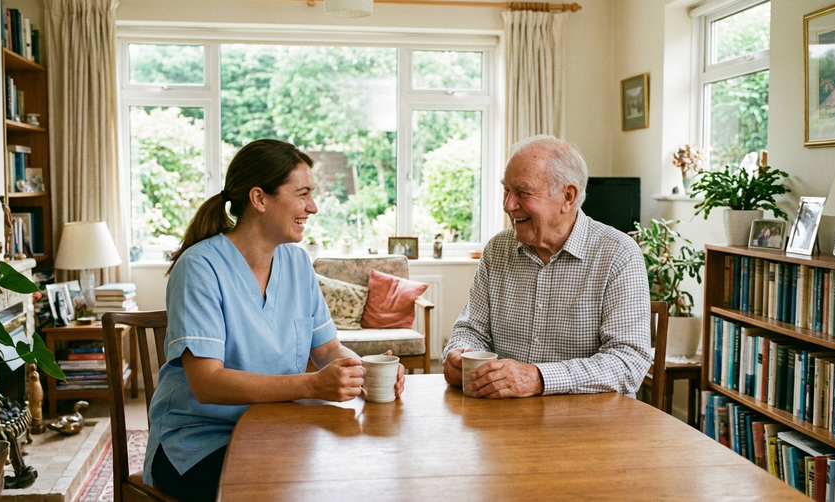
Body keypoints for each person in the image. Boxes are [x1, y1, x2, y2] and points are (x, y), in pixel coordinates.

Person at [144, 139, 405, 501]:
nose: (312, 207)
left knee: (356, 477)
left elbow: (327, 347)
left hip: (279, 428)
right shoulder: (200, 267)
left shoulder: (297, 263)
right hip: (200, 443)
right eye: (302, 194)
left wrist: (365, 371)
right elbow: (207, 383)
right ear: (259, 199)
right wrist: (313, 386)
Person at [441, 135, 651, 399]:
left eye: (523, 192)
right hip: (505, 422)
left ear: (568, 196)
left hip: (590, 427)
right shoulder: (497, 250)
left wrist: (539, 378)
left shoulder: (618, 254)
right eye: (506, 190)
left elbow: (628, 362)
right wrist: (460, 353)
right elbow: (471, 329)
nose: (508, 205)